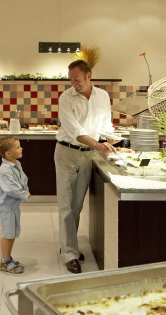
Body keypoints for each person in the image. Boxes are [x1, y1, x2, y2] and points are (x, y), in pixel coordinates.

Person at [55, 60, 116, 273]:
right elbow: (75, 131)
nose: (74, 83)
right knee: (66, 205)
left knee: (77, 205)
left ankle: (69, 245)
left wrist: (111, 137)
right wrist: (98, 145)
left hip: (88, 155)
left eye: (77, 79)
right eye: (71, 80)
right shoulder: (66, 98)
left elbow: (105, 124)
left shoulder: (103, 96)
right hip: (67, 153)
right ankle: (70, 253)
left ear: (89, 76)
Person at [0, 136, 30, 273]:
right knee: (8, 234)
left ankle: (8, 258)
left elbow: (23, 179)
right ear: (8, 153)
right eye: (17, 147)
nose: (21, 148)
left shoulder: (16, 164)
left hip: (14, 206)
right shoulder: (5, 170)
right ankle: (4, 261)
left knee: (13, 233)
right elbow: (11, 188)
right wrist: (23, 194)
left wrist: (25, 189)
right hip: (6, 208)